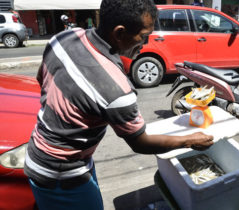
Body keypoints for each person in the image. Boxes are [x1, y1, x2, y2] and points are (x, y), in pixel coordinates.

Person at [24, 0, 214, 210]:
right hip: (61, 172)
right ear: (119, 33)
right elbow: (141, 143)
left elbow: (42, 80)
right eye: (143, 36)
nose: (145, 42)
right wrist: (189, 141)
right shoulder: (116, 89)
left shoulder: (63, 38)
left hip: (44, 150)